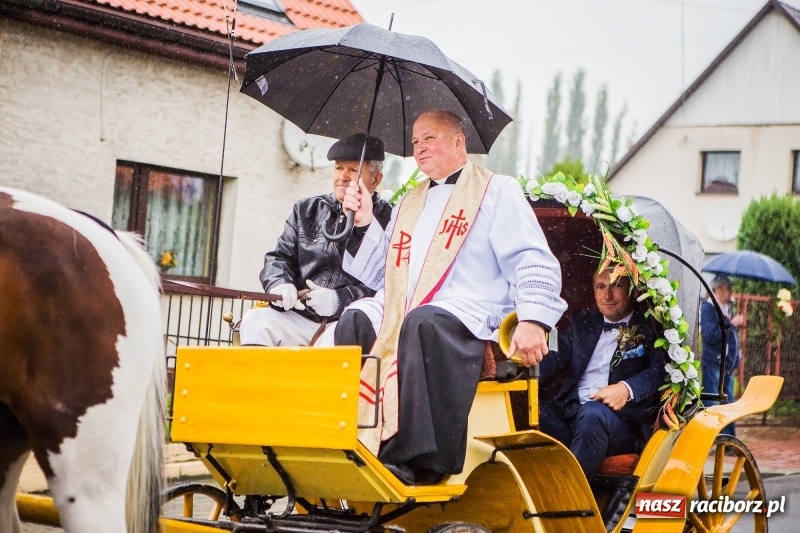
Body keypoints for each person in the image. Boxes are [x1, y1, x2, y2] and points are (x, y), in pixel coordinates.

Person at [337, 110, 567, 485]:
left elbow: (530, 256)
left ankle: (420, 458)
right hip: (409, 308)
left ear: (459, 142)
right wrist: (363, 219)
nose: (419, 148)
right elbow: (385, 274)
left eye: (429, 138)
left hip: (471, 311)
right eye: (414, 142)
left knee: (424, 322)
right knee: (356, 318)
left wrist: (533, 319)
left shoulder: (496, 190)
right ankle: (358, 438)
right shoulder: (409, 201)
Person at [239, 133, 393, 347]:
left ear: (376, 179)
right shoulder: (306, 210)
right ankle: (258, 382)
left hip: (344, 324)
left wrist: (339, 300)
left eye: (353, 170)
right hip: (300, 316)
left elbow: (388, 284)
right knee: (256, 322)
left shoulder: (390, 220)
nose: (343, 176)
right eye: (339, 168)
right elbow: (279, 258)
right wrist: (280, 284)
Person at [538, 267, 667, 483]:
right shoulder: (581, 323)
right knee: (526, 408)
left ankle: (572, 497)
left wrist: (627, 389)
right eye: (600, 287)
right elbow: (554, 357)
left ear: (632, 290)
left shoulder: (650, 325)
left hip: (620, 425)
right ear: (594, 291)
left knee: (593, 414)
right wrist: (524, 373)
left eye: (616, 285)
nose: (607, 295)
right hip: (570, 416)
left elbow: (660, 370)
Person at [700, 273, 743, 437]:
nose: (730, 292)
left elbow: (731, 338)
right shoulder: (708, 309)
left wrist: (736, 357)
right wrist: (731, 324)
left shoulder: (726, 309)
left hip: (727, 364)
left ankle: (729, 439)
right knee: (712, 403)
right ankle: (709, 438)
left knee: (728, 403)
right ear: (717, 289)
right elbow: (711, 336)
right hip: (713, 364)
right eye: (727, 288)